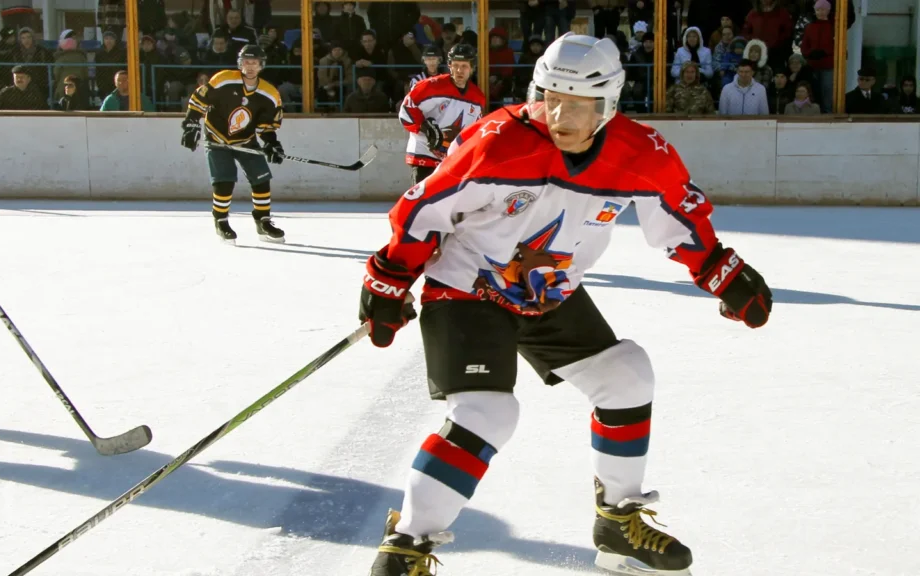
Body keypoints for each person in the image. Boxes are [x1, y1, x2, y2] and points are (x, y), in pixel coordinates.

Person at [358, 33, 772, 576]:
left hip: (548, 292)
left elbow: (679, 222)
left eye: (579, 104)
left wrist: (724, 273)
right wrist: (388, 281)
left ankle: (617, 521)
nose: (561, 114)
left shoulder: (640, 154)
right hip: (466, 289)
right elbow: (421, 211)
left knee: (627, 376)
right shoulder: (497, 141)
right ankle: (407, 545)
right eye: (552, 96)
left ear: (610, 106)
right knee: (489, 412)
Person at [182, 44, 285, 244]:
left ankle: (263, 221)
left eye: (255, 63)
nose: (250, 66)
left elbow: (266, 125)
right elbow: (198, 101)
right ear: (240, 63)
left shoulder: (269, 93)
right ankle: (221, 221)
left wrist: (272, 143)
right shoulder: (223, 80)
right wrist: (191, 125)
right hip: (216, 139)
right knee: (224, 181)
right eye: (247, 62)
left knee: (261, 178)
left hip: (246, 141)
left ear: (261, 65)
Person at [398, 43, 485, 186]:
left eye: (464, 66)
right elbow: (406, 109)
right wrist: (425, 126)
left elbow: (473, 132)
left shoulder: (477, 97)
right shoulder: (431, 86)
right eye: (455, 65)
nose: (459, 70)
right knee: (422, 204)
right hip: (424, 154)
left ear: (472, 68)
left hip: (452, 161)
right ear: (449, 66)